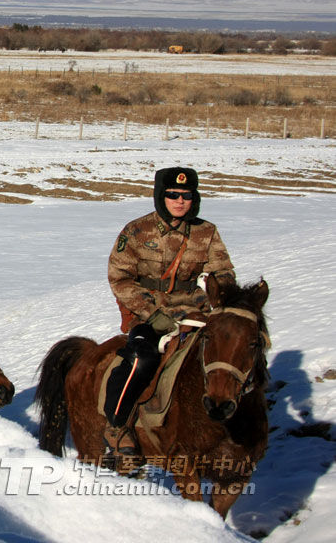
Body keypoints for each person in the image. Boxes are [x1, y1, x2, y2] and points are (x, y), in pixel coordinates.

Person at [103, 167, 235, 464]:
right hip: (148, 314)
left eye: (186, 196)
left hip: (195, 312)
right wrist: (152, 313)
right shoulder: (137, 230)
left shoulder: (207, 232)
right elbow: (119, 278)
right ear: (161, 196)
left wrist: (213, 300)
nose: (179, 201)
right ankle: (117, 426)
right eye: (172, 195)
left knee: (229, 353)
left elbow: (224, 273)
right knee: (142, 359)